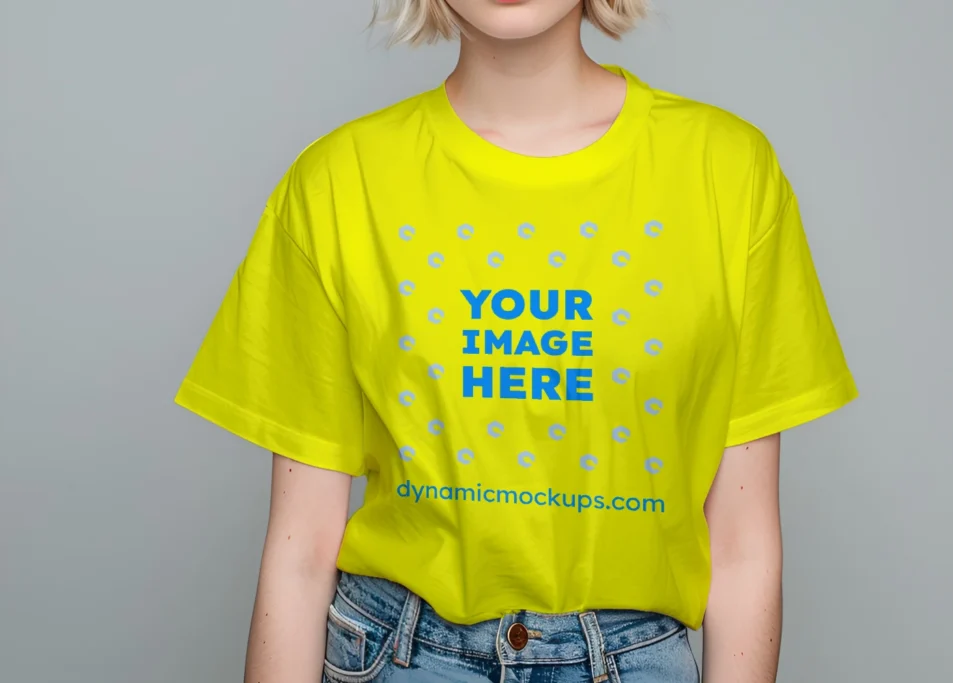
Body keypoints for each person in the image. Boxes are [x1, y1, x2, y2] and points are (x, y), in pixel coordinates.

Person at [174, 1, 858, 681]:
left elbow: (742, 544)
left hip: (639, 659)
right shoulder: (337, 183)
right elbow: (300, 551)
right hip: (397, 656)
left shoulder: (729, 174)